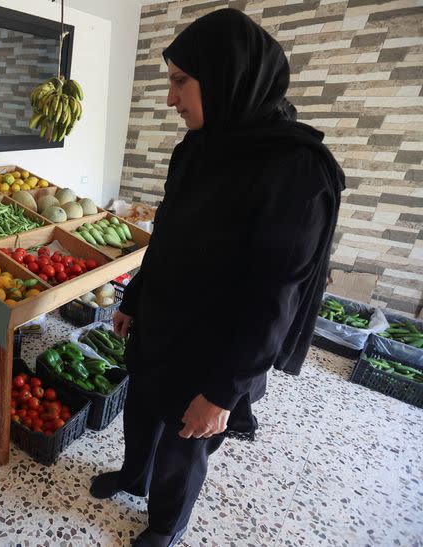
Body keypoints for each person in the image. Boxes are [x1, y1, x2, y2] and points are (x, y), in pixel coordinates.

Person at [89, 9, 344, 547]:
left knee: (187, 439)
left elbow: (277, 296)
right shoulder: (198, 148)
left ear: (227, 76)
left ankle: (167, 524)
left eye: (181, 81)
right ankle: (134, 475)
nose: (170, 98)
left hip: (217, 349)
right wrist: (134, 297)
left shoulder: (294, 171)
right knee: (141, 408)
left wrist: (225, 391)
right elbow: (169, 236)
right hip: (163, 320)